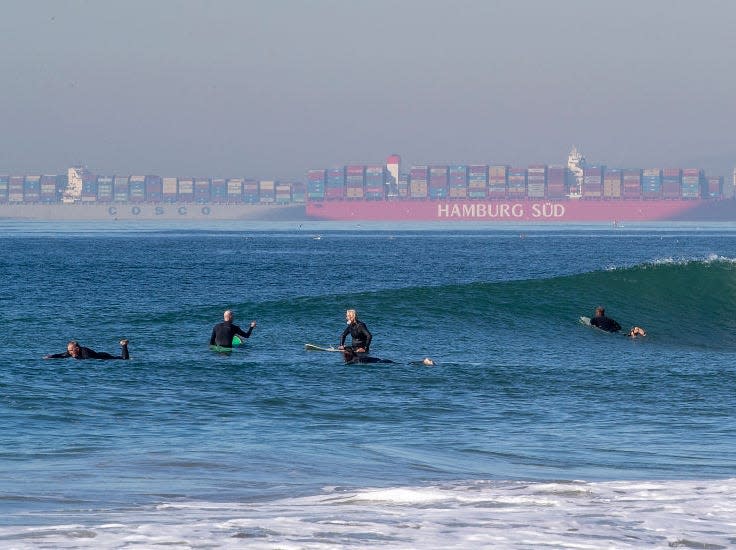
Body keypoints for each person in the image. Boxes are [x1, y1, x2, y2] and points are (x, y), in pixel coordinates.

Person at [44, 339, 130, 360]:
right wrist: (51, 356)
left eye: (71, 350)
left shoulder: (84, 351)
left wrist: (76, 357)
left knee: (123, 359)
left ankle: (124, 345)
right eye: (69, 350)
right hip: (98, 356)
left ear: (77, 349)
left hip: (104, 357)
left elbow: (88, 359)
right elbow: (61, 355)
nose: (69, 352)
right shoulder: (71, 352)